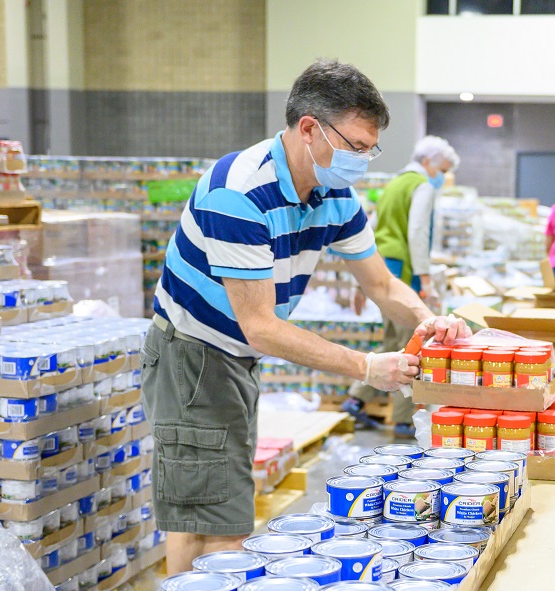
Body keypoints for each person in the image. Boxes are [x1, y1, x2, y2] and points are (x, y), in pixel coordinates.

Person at [141, 59, 471, 575]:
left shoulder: (333, 192)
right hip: (194, 357)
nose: (363, 161)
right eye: (356, 147)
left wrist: (428, 319)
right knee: (215, 520)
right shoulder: (241, 192)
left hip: (233, 358)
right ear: (310, 129)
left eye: (371, 149)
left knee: (204, 506)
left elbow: (381, 284)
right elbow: (262, 326)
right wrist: (366, 369)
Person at [343, 135, 460, 437]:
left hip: (382, 265)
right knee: (411, 347)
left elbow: (373, 231)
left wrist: (361, 284)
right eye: (442, 170)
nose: (442, 178)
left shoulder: (395, 183)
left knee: (392, 340)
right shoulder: (421, 185)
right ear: (427, 163)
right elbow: (418, 232)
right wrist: (425, 278)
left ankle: (356, 398)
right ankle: (405, 420)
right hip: (402, 274)